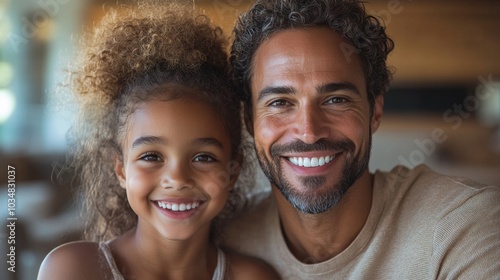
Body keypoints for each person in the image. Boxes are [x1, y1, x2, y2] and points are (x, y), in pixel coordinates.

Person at [222, 0, 500, 279]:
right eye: (280, 102)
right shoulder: (220, 237)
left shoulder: (459, 226)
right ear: (249, 119)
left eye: (336, 100)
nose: (309, 131)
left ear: (375, 110)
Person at [37, 2, 278, 279]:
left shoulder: (252, 276)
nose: (176, 179)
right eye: (151, 156)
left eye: (203, 157)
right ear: (121, 169)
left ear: (233, 169)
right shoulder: (74, 269)